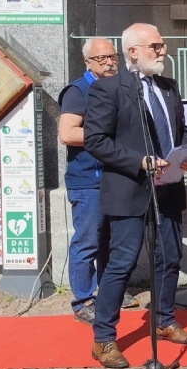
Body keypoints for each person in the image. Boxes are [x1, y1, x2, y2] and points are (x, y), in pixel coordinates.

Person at [82, 23, 187, 369]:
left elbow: (181, 128)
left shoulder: (169, 87)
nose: (162, 51)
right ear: (132, 51)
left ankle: (163, 320)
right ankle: (103, 339)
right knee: (122, 263)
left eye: (162, 46)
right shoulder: (109, 89)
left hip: (169, 186)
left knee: (171, 258)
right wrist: (139, 161)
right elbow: (96, 140)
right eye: (155, 46)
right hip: (129, 189)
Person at [57, 38, 136, 325]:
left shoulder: (121, 87)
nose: (109, 62)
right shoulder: (78, 91)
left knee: (110, 241)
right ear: (87, 62)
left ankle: (109, 292)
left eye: (111, 57)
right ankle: (83, 301)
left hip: (116, 177)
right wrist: (106, 135)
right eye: (100, 58)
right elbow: (67, 134)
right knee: (88, 241)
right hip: (88, 179)